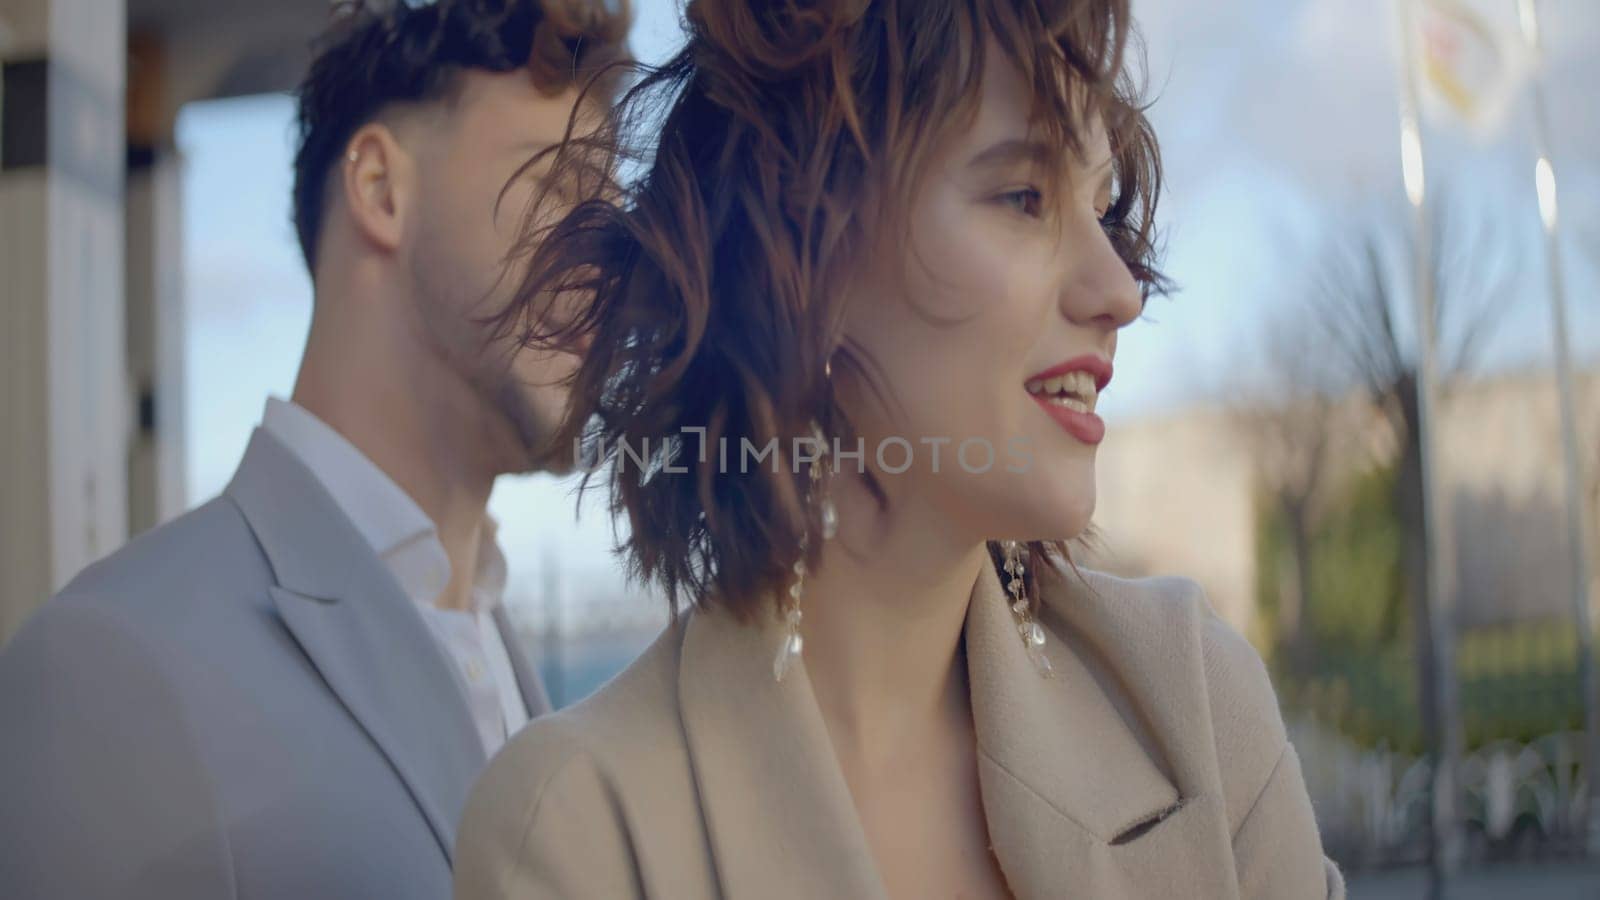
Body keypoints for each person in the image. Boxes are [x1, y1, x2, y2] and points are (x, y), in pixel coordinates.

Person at [454, 0, 1344, 898]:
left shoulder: (1191, 705)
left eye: (1104, 210)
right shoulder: (579, 835)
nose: (1117, 288)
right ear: (806, 250)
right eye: (1024, 197)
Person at [0, 2, 626, 897]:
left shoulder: (501, 650)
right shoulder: (102, 669)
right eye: (561, 185)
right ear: (379, 188)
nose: (604, 259)